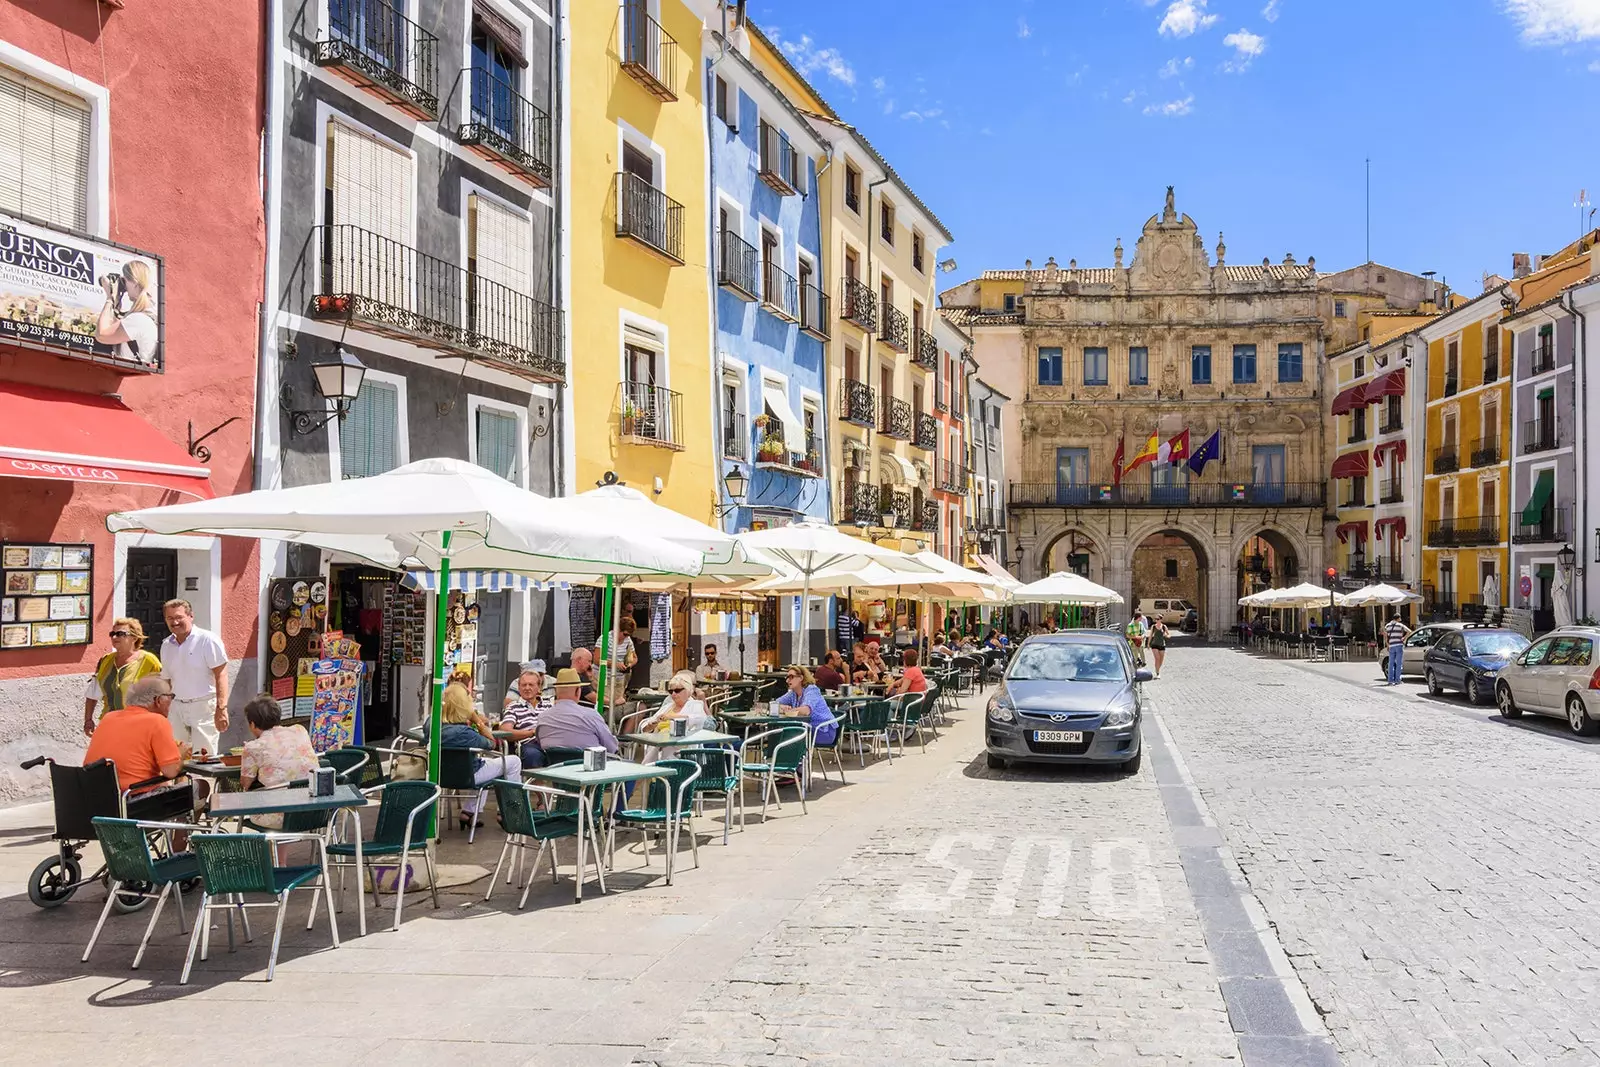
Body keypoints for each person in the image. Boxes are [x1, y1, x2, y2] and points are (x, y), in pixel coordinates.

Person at [83, 676, 194, 821]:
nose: (171, 702)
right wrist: (181, 753)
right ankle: (180, 841)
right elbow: (171, 771)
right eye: (170, 696)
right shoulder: (157, 721)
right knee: (198, 787)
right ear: (158, 700)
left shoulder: (108, 718)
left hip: (96, 804)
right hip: (134, 805)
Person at [440, 682, 519, 829]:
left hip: (441, 775)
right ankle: (511, 812)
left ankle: (469, 812)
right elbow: (492, 743)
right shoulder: (467, 734)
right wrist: (477, 720)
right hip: (469, 776)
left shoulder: (431, 727)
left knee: (484, 763)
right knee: (513, 761)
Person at [237, 694, 319, 829]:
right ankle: (279, 851)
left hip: (279, 817)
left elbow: (245, 784)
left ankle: (271, 849)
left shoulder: (253, 747)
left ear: (252, 723)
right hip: (314, 813)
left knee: (259, 800)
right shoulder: (300, 730)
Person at [159, 599, 229, 755]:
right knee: (176, 756)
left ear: (191, 616)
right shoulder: (166, 645)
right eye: (170, 618)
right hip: (176, 706)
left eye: (179, 617)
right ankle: (182, 781)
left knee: (204, 756)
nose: (175, 622)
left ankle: (201, 781)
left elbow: (221, 674)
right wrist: (164, 707)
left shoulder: (208, 640)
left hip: (203, 706)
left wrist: (221, 708)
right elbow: (167, 680)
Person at [83, 617, 163, 736]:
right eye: (113, 634)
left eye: (120, 634)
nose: (114, 637)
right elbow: (92, 694)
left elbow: (162, 696)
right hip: (109, 725)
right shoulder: (106, 660)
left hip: (138, 727)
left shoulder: (149, 661)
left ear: (134, 637)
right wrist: (88, 720)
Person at [536, 668, 620, 755]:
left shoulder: (542, 718)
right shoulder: (591, 715)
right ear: (578, 691)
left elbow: (540, 743)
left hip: (554, 766)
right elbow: (612, 747)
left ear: (556, 692)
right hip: (591, 766)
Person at [94, 259, 159, 365]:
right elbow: (114, 328)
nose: (123, 285)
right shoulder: (145, 316)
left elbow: (101, 335)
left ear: (135, 284)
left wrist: (109, 298)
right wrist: (116, 303)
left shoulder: (139, 320)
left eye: (125, 280)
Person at [776, 666, 838, 746]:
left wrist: (787, 711)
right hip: (808, 728)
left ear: (801, 678)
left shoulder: (812, 690)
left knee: (788, 735)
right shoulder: (793, 693)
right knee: (784, 733)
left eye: (791, 677)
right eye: (787, 677)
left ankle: (791, 757)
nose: (787, 680)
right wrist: (781, 707)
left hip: (823, 731)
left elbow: (806, 711)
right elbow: (774, 704)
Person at [498, 668, 546, 770]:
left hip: (551, 743)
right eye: (524, 685)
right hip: (530, 744)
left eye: (531, 685)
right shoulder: (513, 707)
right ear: (519, 688)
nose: (527, 688)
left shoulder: (548, 705)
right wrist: (532, 733)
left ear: (539, 687)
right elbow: (505, 731)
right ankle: (534, 785)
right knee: (533, 755)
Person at [641, 671, 710, 734]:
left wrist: (672, 717)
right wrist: (651, 726)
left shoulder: (695, 705)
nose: (673, 694)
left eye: (677, 690)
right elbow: (644, 727)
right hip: (659, 744)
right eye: (671, 691)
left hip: (681, 746)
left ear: (688, 690)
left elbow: (699, 720)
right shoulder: (667, 707)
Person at [1383, 612, 1412, 686]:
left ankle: (1390, 681)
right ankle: (1397, 680)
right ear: (1398, 618)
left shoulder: (1387, 626)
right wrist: (1403, 638)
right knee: (1399, 663)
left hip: (1391, 646)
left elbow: (1386, 636)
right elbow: (1409, 631)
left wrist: (1387, 645)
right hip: (1399, 645)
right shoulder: (1400, 625)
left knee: (1391, 663)